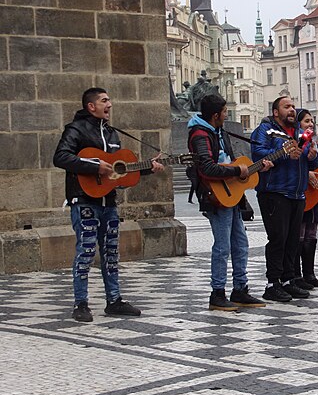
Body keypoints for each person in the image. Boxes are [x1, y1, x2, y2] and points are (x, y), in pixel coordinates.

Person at [53, 88, 164, 322]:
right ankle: (80, 304)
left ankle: (114, 301)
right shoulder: (75, 129)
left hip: (108, 202)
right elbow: (61, 157)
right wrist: (94, 166)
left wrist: (147, 168)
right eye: (104, 101)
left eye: (109, 100)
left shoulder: (112, 134)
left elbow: (118, 172)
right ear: (90, 106)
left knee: (112, 253)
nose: (110, 104)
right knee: (86, 252)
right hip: (84, 201)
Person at [188, 94, 268, 311]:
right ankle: (217, 293)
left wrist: (253, 168)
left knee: (240, 244)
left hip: (231, 193)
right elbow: (206, 167)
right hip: (215, 196)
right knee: (222, 246)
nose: (226, 115)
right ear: (215, 115)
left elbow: (231, 162)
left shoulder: (218, 131)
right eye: (224, 112)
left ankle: (240, 289)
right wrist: (236, 170)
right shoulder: (200, 135)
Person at [251, 96, 318, 302]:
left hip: (297, 193)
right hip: (275, 192)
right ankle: (273, 283)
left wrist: (312, 155)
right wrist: (283, 153)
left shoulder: (299, 133)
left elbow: (308, 156)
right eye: (286, 107)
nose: (292, 110)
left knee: (292, 240)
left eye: (292, 106)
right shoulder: (266, 131)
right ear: (275, 112)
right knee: (278, 240)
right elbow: (258, 154)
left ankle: (289, 279)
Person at [293, 109, 318, 289]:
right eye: (307, 121)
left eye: (312, 121)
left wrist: (314, 159)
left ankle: (309, 274)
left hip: (314, 195)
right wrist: (307, 171)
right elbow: (294, 166)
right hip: (301, 193)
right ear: (298, 124)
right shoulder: (295, 142)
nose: (311, 124)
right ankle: (297, 275)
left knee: (311, 234)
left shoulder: (314, 145)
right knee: (300, 234)